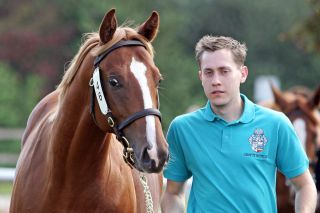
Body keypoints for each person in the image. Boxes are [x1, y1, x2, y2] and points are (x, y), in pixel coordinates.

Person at [161, 35, 317, 213]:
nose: (216, 81)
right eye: (209, 72)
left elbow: (304, 185)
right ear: (200, 76)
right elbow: (173, 193)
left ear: (243, 74)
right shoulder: (182, 128)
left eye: (224, 71)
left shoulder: (276, 124)